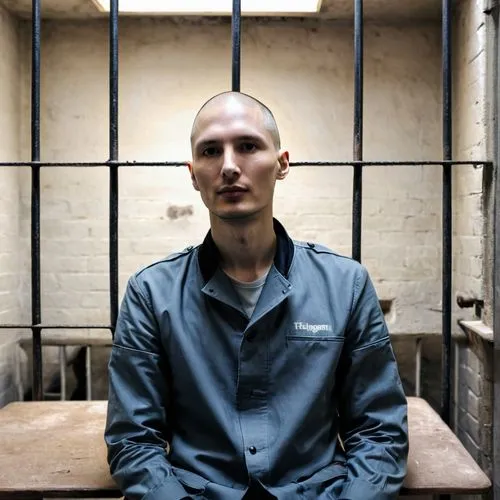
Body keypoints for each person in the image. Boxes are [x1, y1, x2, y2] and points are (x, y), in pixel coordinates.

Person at [104, 91, 409, 500]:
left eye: (247, 146)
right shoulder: (151, 293)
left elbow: (379, 429)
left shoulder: (345, 284)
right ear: (194, 174)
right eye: (211, 151)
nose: (229, 166)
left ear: (282, 164)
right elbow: (132, 440)